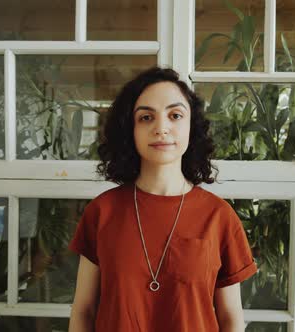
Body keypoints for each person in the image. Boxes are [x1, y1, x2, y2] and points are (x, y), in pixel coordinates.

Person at [68, 66, 257, 331]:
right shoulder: (102, 211)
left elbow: (231, 319)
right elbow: (83, 311)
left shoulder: (220, 216)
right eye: (146, 117)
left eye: (175, 115)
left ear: (192, 127)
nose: (161, 128)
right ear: (129, 129)